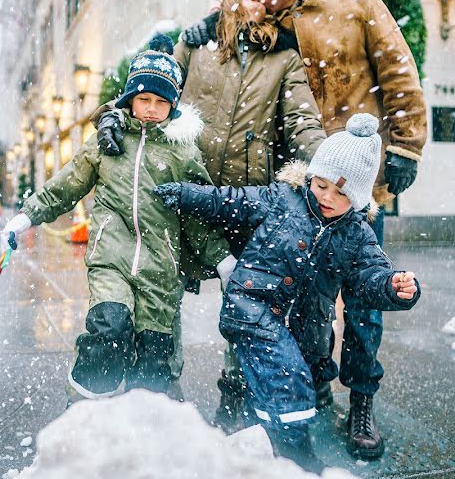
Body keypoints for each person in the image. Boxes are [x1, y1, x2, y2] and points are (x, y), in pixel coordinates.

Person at [175, 0, 428, 457]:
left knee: (362, 295)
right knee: (299, 302)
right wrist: (203, 28)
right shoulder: (273, 21)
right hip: (296, 189)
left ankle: (362, 398)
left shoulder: (356, 4)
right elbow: (235, 26)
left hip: (355, 186)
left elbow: (399, 72)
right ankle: (309, 385)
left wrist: (406, 146)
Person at [93, 0, 326, 426]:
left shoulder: (283, 59)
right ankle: (161, 391)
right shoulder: (194, 46)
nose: (250, 6)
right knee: (162, 294)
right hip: (185, 195)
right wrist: (109, 112)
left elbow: (302, 121)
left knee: (248, 301)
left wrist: (330, 167)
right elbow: (145, 94)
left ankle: (235, 397)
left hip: (247, 200)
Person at [153, 113, 421, 472]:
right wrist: (187, 194)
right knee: (289, 385)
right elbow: (230, 200)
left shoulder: (357, 235)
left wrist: (393, 287)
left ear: (356, 198)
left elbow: (370, 276)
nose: (327, 196)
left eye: (340, 192)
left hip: (305, 328)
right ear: (311, 176)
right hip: (253, 306)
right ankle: (296, 456)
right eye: (322, 184)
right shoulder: (282, 198)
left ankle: (257, 449)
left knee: (273, 390)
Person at [1, 35, 235, 399]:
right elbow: (66, 184)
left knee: (154, 360)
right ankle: (84, 409)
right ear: (130, 99)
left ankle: (144, 433)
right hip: (111, 257)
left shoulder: (183, 153)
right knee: (108, 329)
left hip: (161, 269)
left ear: (173, 106)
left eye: (161, 101)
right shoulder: (107, 142)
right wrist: (27, 215)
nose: (152, 108)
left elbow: (196, 214)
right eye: (144, 99)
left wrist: (221, 259)